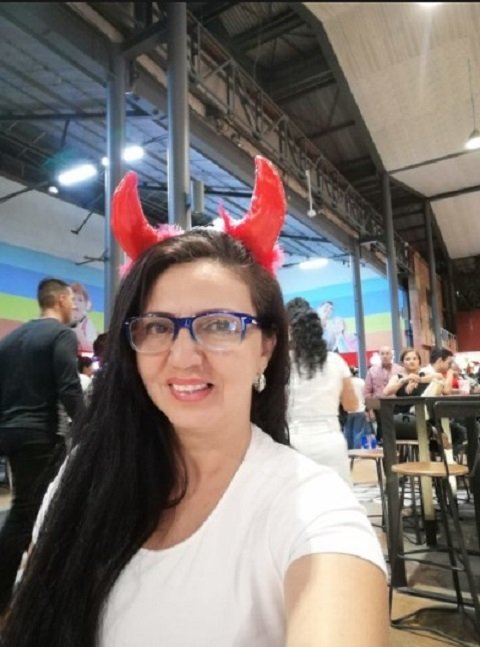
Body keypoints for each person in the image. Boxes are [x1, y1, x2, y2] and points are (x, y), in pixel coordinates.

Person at [1, 158, 388, 647]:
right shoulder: (83, 475)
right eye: (157, 326)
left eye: (220, 325)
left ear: (266, 347)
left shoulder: (310, 506)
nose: (183, 357)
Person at [0, 278, 84, 616]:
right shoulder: (61, 335)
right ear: (61, 299)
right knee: (36, 513)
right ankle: (33, 599)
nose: (75, 307)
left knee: (27, 510)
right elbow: (69, 387)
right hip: (41, 434)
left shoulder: (11, 339)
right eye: (73, 300)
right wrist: (92, 428)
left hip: (12, 433)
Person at [286, 301, 359, 486]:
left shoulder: (284, 363)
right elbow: (352, 405)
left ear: (292, 333)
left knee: (299, 498)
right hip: (330, 440)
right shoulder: (336, 361)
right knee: (337, 497)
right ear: (320, 331)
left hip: (294, 440)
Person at [364, 345, 403, 442]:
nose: (385, 356)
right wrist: (370, 410)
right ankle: (382, 448)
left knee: (397, 429)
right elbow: (367, 392)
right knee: (381, 430)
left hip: (396, 405)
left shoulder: (399, 370)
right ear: (379, 356)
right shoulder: (372, 370)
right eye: (382, 354)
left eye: (387, 353)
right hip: (378, 405)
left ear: (392, 355)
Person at [344, 367, 370, 449]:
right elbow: (366, 395)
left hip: (347, 411)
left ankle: (348, 451)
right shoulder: (361, 381)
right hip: (360, 410)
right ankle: (357, 451)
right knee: (358, 433)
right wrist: (368, 409)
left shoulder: (343, 383)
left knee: (347, 432)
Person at [71, 282, 98, 354]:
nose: (75, 303)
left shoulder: (88, 325)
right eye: (72, 299)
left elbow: (93, 349)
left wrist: (80, 335)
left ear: (86, 305)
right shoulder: (62, 322)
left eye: (80, 300)